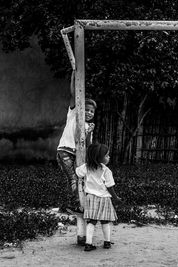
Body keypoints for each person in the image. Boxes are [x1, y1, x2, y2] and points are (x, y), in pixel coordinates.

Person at [56, 70, 97, 246]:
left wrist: (88, 131)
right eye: (86, 109)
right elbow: (74, 95)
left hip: (79, 155)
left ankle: (78, 205)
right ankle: (74, 205)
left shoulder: (89, 126)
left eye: (91, 111)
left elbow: (87, 146)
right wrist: (74, 77)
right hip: (65, 151)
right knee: (73, 179)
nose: (88, 113)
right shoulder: (73, 113)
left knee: (82, 180)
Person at [76, 143, 122, 251]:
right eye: (106, 155)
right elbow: (110, 186)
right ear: (99, 158)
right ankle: (107, 242)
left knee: (91, 222)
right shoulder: (106, 171)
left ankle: (88, 244)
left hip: (91, 198)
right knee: (105, 221)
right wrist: (115, 198)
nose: (109, 157)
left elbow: (78, 172)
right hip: (104, 198)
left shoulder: (86, 167)